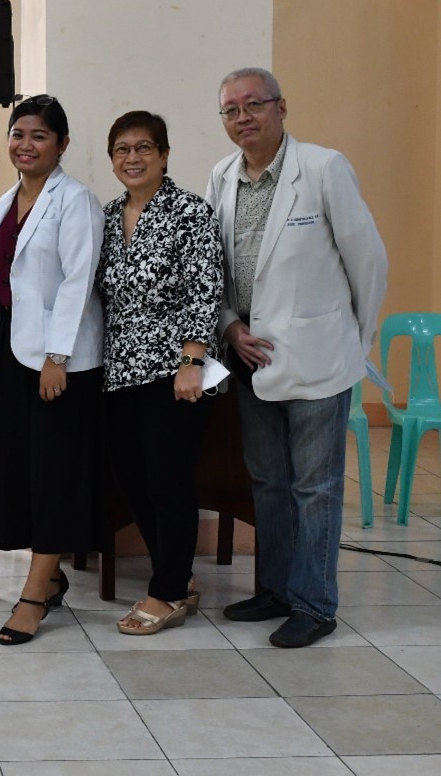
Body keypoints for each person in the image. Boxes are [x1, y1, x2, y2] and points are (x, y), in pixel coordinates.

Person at [204, 67, 387, 648]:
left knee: (316, 485)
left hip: (318, 359)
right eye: (231, 110)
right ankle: (276, 590)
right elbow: (214, 270)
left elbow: (369, 262)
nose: (243, 118)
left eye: (253, 105)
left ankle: (314, 603)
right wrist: (230, 328)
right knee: (268, 482)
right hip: (248, 358)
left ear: (282, 108)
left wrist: (353, 343)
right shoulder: (221, 177)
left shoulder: (324, 168)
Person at [0, 94, 104, 645]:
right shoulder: (6, 202)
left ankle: (33, 596)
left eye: (38, 137)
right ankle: (49, 579)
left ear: (62, 145)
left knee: (52, 475)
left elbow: (78, 283)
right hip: (12, 351)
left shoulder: (75, 201)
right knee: (23, 470)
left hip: (59, 361)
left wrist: (58, 357)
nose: (25, 145)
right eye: (18, 134)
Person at [97, 111, 224, 634]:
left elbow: (205, 289)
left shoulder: (190, 212)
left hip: (174, 372)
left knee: (170, 482)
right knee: (133, 479)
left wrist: (192, 361)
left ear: (165, 154)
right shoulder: (107, 216)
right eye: (122, 149)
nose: (133, 157)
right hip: (118, 370)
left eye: (144, 147)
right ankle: (178, 575)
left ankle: (168, 591)